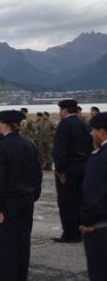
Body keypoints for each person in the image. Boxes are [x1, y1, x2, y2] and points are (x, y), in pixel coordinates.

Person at [0, 110, 42, 281]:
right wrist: (33, 195)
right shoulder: (29, 144)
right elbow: (37, 174)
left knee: (6, 246)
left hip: (8, 203)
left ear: (5, 124)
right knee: (22, 244)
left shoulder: (1, 147)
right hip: (26, 200)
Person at [79, 112, 107, 281]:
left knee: (100, 266)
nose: (91, 133)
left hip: (101, 225)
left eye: (94, 130)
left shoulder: (99, 158)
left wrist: (87, 222)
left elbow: (93, 194)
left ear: (102, 131)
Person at [52, 99, 92, 243]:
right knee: (80, 200)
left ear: (65, 110)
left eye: (60, 110)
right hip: (83, 166)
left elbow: (59, 150)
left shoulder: (65, 125)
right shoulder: (85, 124)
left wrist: (60, 170)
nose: (59, 113)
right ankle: (81, 230)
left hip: (69, 168)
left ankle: (70, 233)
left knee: (67, 202)